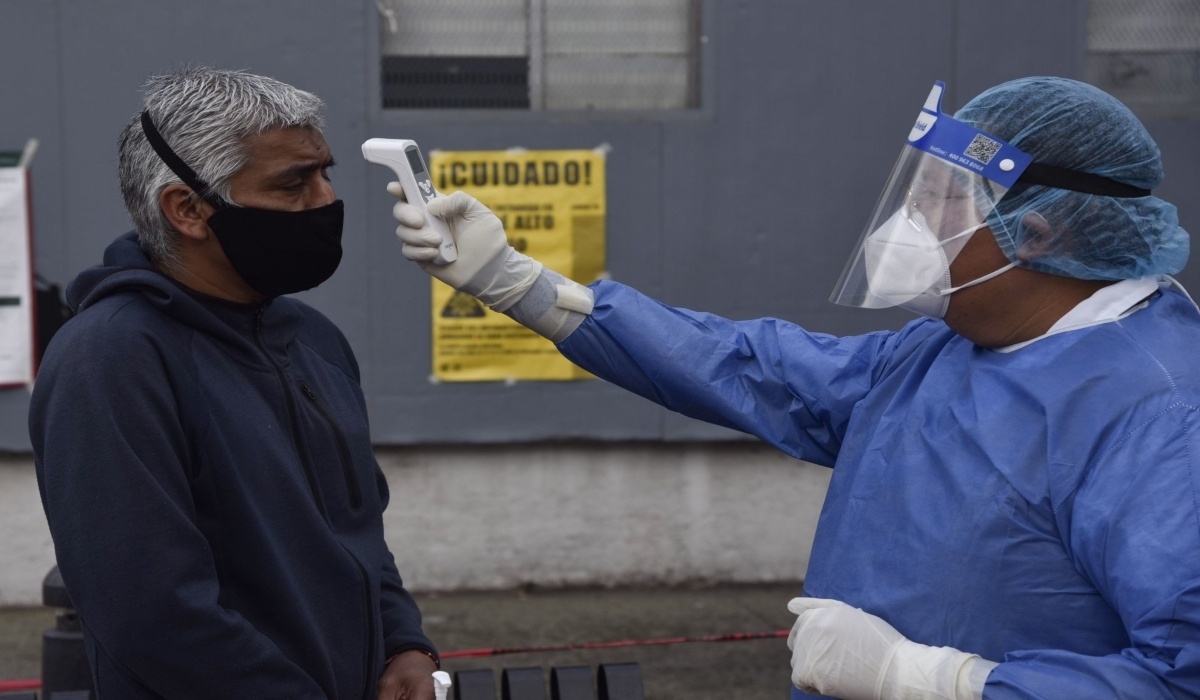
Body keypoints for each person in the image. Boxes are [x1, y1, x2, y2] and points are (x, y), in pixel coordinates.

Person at [391, 77, 1199, 699]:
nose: (909, 224)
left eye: (943, 200)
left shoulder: (1161, 415)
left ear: (1039, 231)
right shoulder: (943, 351)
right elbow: (751, 368)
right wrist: (519, 284)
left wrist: (927, 680)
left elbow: (1180, 674)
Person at [30, 68, 438, 700]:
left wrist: (403, 643)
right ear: (187, 209)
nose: (326, 200)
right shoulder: (111, 358)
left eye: (325, 172)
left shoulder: (314, 340)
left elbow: (357, 531)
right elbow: (151, 612)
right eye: (293, 184)